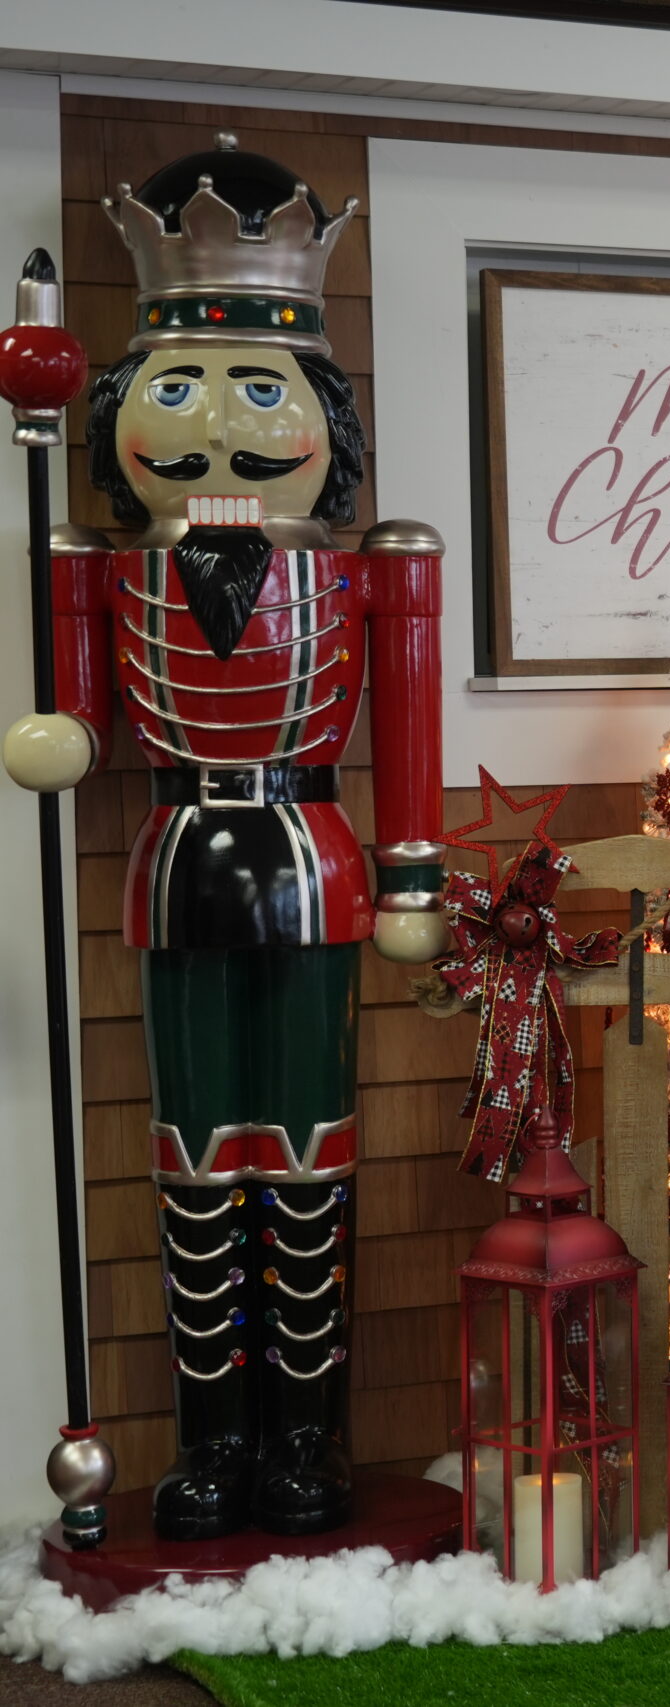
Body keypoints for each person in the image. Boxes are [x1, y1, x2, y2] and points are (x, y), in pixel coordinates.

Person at [3, 136, 446, 1540]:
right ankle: (212, 1438)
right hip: (179, 865)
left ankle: (305, 1433)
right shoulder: (97, 563)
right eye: (178, 387)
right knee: (195, 1149)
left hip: (314, 862)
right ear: (120, 411)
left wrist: (415, 871)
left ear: (322, 415)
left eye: (261, 389)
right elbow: (80, 718)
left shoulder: (376, 565)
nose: (216, 425)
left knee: (310, 1143)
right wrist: (60, 734)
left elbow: (411, 730)